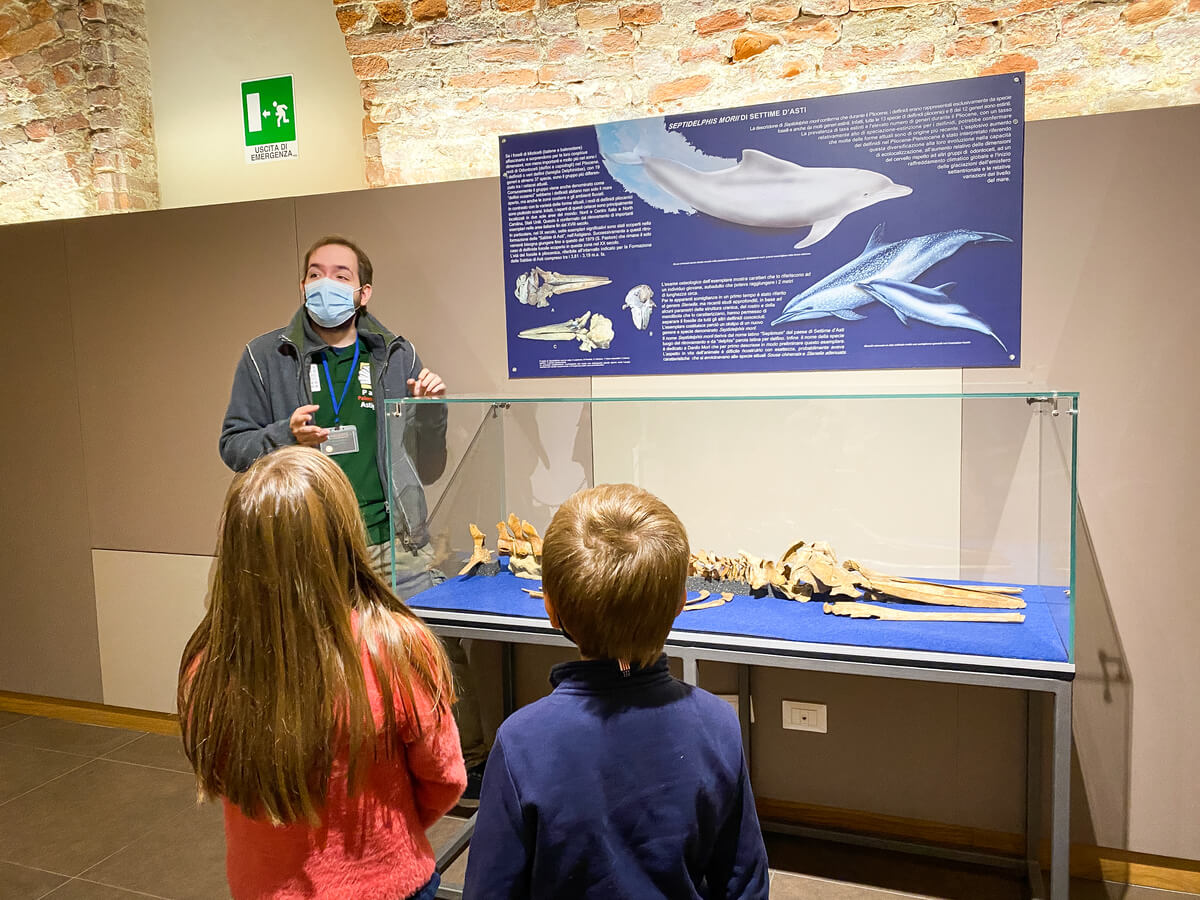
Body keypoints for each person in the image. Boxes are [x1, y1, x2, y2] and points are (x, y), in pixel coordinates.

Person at [218, 235, 490, 799]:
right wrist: (281, 437)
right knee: (316, 658)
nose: (326, 283)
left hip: (395, 537)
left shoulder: (397, 354)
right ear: (301, 284)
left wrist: (431, 414)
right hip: (309, 541)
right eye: (315, 272)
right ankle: (328, 772)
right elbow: (233, 446)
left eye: (341, 275)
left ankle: (463, 766)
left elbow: (429, 466)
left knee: (433, 647)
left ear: (363, 292)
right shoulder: (265, 357)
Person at [178, 446, 466, 900]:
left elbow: (219, 774)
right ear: (344, 534)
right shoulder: (398, 647)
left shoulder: (208, 663)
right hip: (390, 884)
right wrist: (388, 834)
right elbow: (444, 778)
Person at [463, 483, 770, 899]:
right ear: (681, 601)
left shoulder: (521, 742)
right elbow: (745, 883)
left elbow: (489, 891)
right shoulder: (717, 724)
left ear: (550, 607)